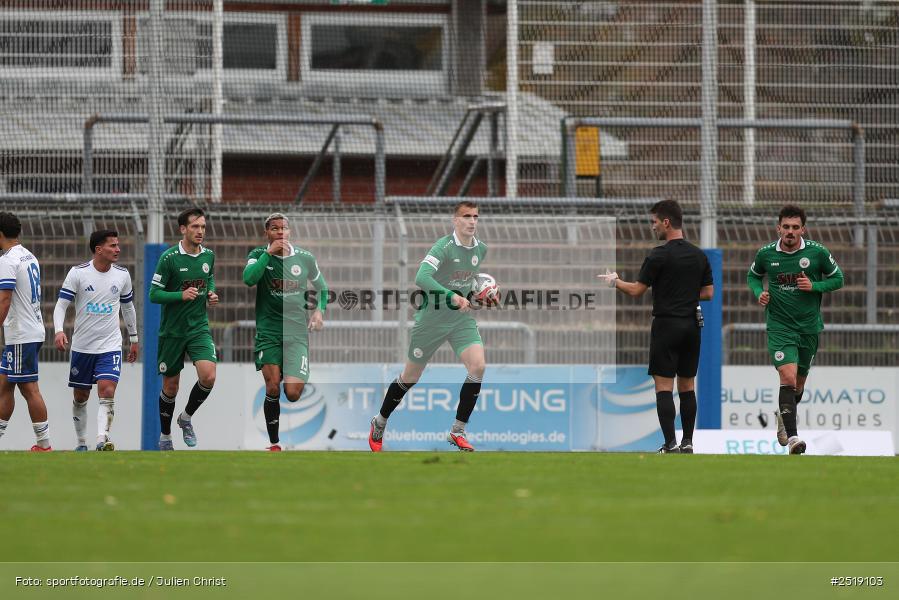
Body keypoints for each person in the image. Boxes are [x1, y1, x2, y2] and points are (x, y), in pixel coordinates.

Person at [368, 200, 491, 452]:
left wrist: (482, 295)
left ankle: (457, 431)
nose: (472, 221)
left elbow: (469, 282)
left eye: (476, 217)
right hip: (431, 321)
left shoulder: (481, 249)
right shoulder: (443, 247)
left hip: (460, 321)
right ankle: (380, 421)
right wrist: (452, 296)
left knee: (478, 366)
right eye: (466, 216)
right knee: (410, 377)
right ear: (455, 221)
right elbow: (421, 277)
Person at [599, 200, 714, 454]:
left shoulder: (658, 254)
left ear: (666, 222)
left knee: (664, 386)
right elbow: (708, 293)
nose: (652, 228)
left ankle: (670, 443)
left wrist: (614, 281)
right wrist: (684, 292)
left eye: (654, 222)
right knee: (687, 385)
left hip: (666, 325)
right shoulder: (699, 255)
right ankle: (688, 443)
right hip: (692, 326)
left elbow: (637, 291)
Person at [747, 204, 843, 455]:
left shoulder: (817, 253)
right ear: (778, 228)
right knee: (787, 378)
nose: (790, 232)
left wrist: (814, 286)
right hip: (780, 326)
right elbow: (753, 276)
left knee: (798, 386)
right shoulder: (766, 254)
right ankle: (793, 439)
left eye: (795, 227)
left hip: (809, 327)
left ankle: (783, 418)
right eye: (786, 227)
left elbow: (838, 279)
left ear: (803, 229)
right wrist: (760, 293)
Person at [243, 213, 327, 451]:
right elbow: (249, 279)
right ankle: (274, 443)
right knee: (271, 387)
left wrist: (319, 312)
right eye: (275, 229)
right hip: (268, 332)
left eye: (284, 229)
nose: (280, 233)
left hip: (296, 334)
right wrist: (268, 254)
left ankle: (284, 373)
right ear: (267, 233)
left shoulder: (305, 259)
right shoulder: (258, 256)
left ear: (290, 232)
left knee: (292, 393)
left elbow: (323, 288)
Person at [53, 230, 139, 451]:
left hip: (110, 346)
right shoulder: (78, 273)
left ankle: (102, 439)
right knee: (81, 396)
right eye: (112, 246)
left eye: (118, 245)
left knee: (107, 390)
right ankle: (82, 442)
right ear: (98, 249)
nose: (118, 249)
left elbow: (128, 308)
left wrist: (134, 338)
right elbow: (62, 304)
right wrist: (58, 331)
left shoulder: (122, 275)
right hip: (82, 347)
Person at [149, 208, 218, 451]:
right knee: (171, 387)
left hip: (198, 328)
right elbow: (153, 294)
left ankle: (186, 418)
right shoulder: (169, 258)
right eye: (195, 227)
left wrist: (210, 293)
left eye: (203, 227)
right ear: (183, 229)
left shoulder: (208, 256)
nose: (200, 231)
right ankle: (165, 435)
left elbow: (208, 278)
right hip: (172, 331)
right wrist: (181, 294)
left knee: (208, 376)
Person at [0, 211, 52, 451]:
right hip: (28, 330)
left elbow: (5, 299)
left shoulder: (8, 260)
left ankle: (44, 444)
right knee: (4, 385)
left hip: (21, 333)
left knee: (29, 388)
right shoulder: (28, 256)